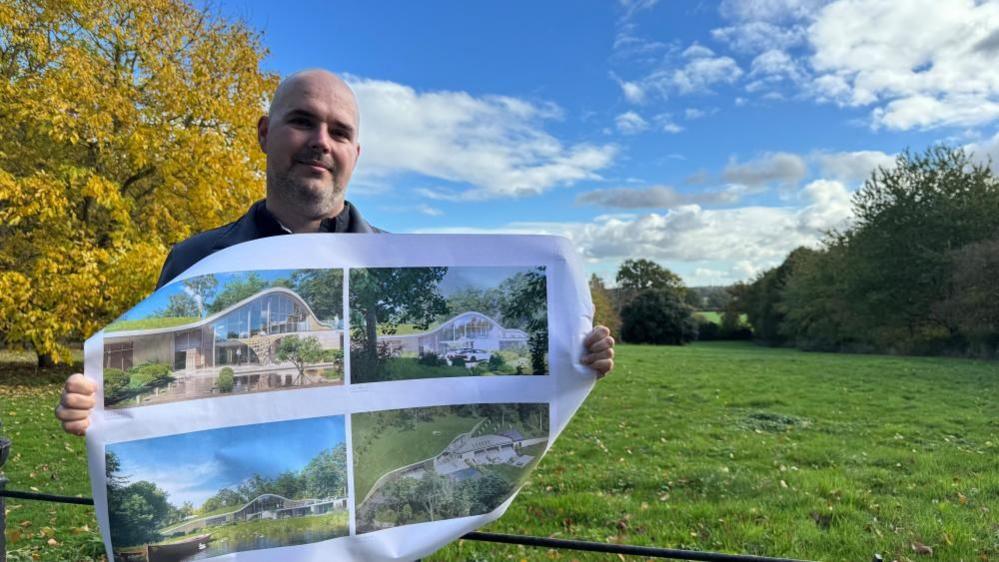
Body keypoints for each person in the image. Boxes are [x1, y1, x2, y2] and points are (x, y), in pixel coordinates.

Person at [55, 69, 615, 436]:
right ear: (264, 133)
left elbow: (462, 392)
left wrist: (570, 354)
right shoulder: (193, 260)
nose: (321, 141)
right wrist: (97, 406)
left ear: (355, 154)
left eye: (339, 132)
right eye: (302, 121)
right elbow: (153, 393)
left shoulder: (399, 265)